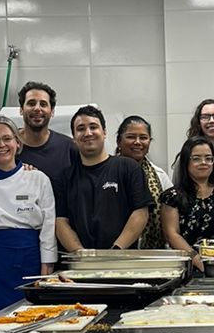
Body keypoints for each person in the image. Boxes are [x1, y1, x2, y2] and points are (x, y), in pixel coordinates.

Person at [0, 115, 57, 327]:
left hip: (29, 259)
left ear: (17, 142)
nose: (1, 145)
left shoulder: (38, 178)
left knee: (30, 322)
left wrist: (46, 269)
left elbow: (48, 227)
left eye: (7, 138)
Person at [53, 106, 152, 252]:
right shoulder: (64, 178)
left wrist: (116, 250)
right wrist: (80, 253)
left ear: (104, 132)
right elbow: (60, 221)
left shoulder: (128, 168)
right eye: (81, 129)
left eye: (93, 127)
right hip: (79, 267)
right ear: (73, 138)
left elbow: (141, 213)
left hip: (121, 262)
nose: (88, 133)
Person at [162, 135, 214, 260]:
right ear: (186, 162)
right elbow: (172, 234)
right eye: (196, 159)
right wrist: (194, 257)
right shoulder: (172, 197)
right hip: (186, 261)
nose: (204, 163)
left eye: (208, 158)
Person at [115, 115, 171, 251]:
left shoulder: (160, 176)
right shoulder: (107, 172)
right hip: (113, 251)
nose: (138, 142)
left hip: (151, 254)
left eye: (143, 137)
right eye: (131, 137)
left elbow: (170, 219)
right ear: (119, 141)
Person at [15, 80, 77, 177]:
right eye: (31, 103)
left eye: (43, 104)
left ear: (52, 111)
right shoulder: (6, 147)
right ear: (21, 110)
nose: (37, 109)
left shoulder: (69, 148)